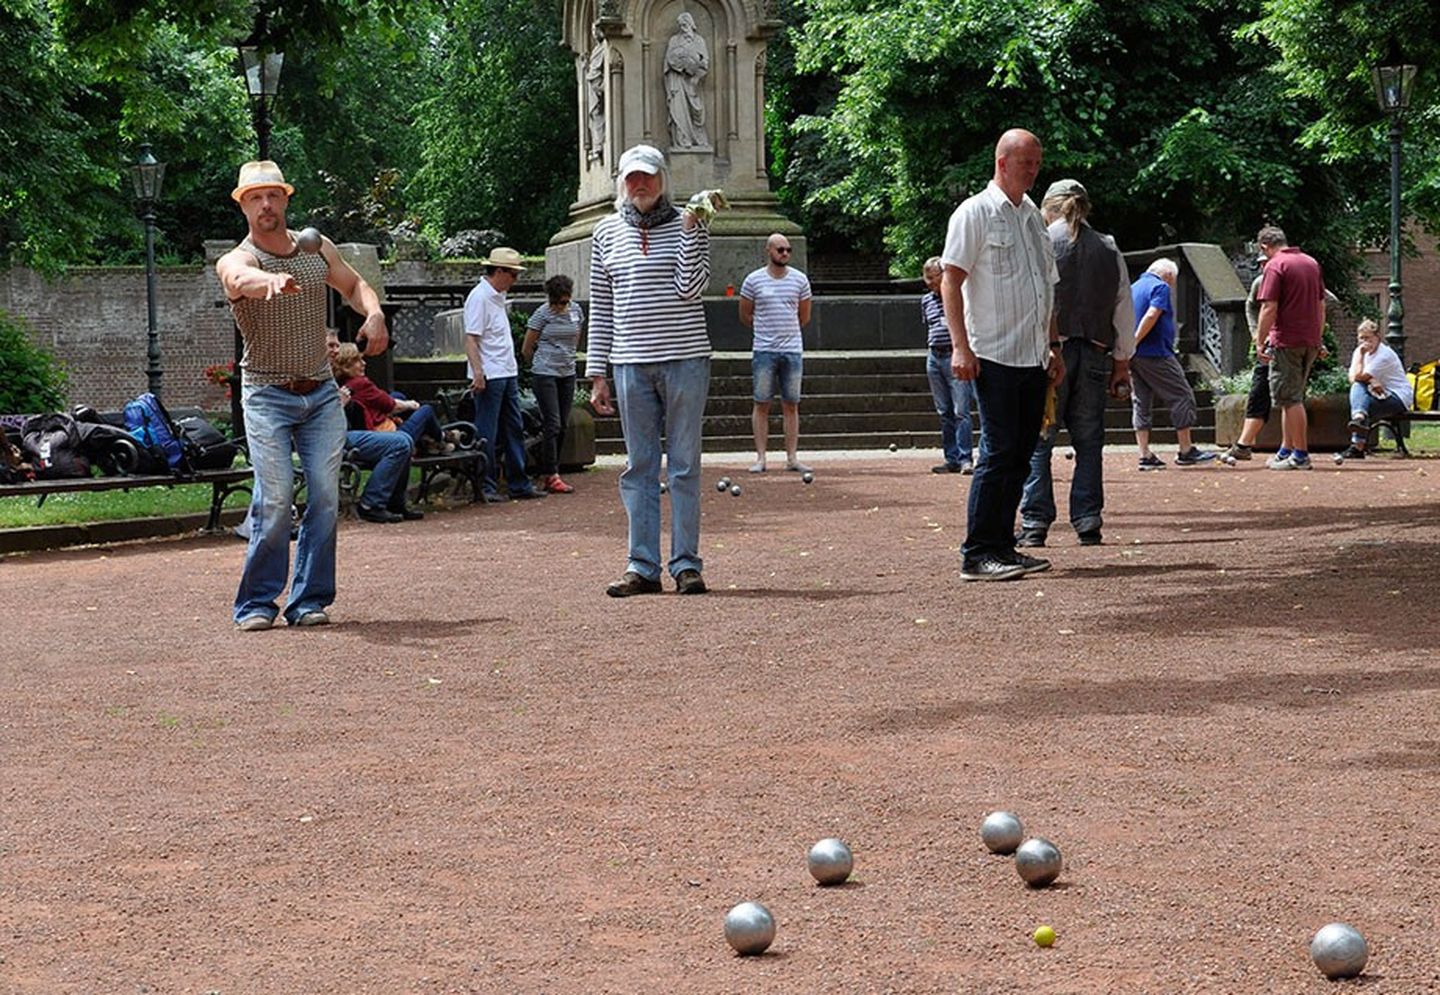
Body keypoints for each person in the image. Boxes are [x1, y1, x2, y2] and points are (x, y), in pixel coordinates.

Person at [217, 159, 388, 631]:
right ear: (243, 206)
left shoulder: (316, 248)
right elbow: (236, 279)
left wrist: (372, 314)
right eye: (255, 197)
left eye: (273, 195)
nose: (266, 204)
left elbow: (354, 285)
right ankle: (255, 604)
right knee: (273, 499)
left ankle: (308, 599)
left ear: (286, 198)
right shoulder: (242, 257)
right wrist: (268, 282)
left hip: (320, 395)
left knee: (326, 496)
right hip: (267, 394)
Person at [587, 144, 712, 596]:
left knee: (683, 466)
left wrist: (693, 232)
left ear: (663, 180)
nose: (640, 185)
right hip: (629, 362)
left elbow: (690, 288)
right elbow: (601, 307)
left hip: (685, 358)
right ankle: (641, 565)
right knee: (638, 466)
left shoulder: (690, 223)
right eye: (632, 178)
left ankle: (686, 564)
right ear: (620, 182)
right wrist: (596, 372)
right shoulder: (603, 233)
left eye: (648, 177)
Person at [941, 128, 1064, 582]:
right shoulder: (974, 212)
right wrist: (960, 346)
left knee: (1020, 453)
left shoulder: (1033, 216)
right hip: (992, 352)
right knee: (997, 452)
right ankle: (977, 553)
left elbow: (1047, 288)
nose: (1033, 169)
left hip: (1032, 356)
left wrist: (1054, 345)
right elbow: (951, 280)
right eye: (1025, 161)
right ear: (1001, 162)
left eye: (1037, 161)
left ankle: (1002, 545)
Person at [1017, 179, 1134, 547]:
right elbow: (1123, 309)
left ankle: (1035, 522)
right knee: (1089, 441)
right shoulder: (1109, 247)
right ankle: (1087, 519)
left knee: (1039, 440)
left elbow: (1032, 300)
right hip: (1096, 351)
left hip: (1051, 352)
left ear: (1048, 207)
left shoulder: (1039, 241)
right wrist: (1122, 363)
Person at [463, 247, 545, 502]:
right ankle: (486, 485)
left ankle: (518, 482)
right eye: (512, 274)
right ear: (498, 271)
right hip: (491, 373)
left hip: (505, 371)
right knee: (487, 430)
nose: (515, 280)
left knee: (513, 427)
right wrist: (478, 372)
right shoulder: (479, 297)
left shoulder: (495, 296)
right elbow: (471, 339)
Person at [327, 331, 423, 524]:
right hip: (331, 438)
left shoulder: (328, 373)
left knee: (404, 440)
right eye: (331, 345)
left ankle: (394, 502)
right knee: (401, 442)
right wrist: (339, 405)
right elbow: (314, 415)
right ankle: (371, 503)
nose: (336, 349)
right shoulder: (315, 374)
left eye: (337, 345)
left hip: (345, 432)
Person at [1128, 258, 1215, 469]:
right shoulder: (1160, 287)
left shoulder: (1132, 288)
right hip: (1156, 353)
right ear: (1167, 275)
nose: (1172, 285)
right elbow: (1152, 314)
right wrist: (1135, 340)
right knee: (1182, 395)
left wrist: (1127, 347)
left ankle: (1145, 454)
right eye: (1173, 281)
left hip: (1134, 356)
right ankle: (1186, 450)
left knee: (1141, 400)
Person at [1254, 225, 1327, 470]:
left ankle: (1301, 455)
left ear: (1265, 246)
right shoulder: (1311, 263)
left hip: (1286, 340)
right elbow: (1321, 305)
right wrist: (1318, 337)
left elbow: (1269, 307)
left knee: (1290, 398)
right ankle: (1286, 449)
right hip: (1309, 341)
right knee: (1291, 397)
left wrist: (1259, 339)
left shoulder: (1276, 266)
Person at [740, 233, 813, 474]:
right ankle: (761, 457)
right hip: (764, 349)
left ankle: (792, 457)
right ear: (768, 250)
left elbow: (804, 316)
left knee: (791, 404)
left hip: (791, 349)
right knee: (761, 402)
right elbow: (745, 314)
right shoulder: (753, 280)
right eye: (780, 249)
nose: (785, 254)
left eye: (788, 250)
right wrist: (766, 330)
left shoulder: (800, 280)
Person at [523, 274, 584, 494]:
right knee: (553, 423)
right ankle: (551, 473)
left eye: (564, 302)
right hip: (545, 373)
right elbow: (527, 347)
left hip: (567, 372)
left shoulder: (576, 311)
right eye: (557, 302)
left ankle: (549, 465)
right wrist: (540, 363)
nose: (561, 307)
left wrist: (568, 356)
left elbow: (576, 336)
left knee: (562, 424)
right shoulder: (542, 314)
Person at [331, 342, 449, 453]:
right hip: (387, 437)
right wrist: (411, 404)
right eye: (358, 360)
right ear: (346, 367)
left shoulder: (341, 385)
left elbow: (385, 400)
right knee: (426, 410)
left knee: (398, 396)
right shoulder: (360, 384)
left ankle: (425, 438)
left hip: (366, 428)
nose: (364, 363)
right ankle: (442, 437)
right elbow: (391, 406)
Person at [921, 256, 976, 474]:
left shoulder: (959, 297)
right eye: (927, 278)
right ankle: (951, 457)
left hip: (955, 355)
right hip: (934, 356)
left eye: (934, 277)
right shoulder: (926, 301)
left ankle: (965, 458)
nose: (930, 282)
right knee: (944, 410)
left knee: (961, 410)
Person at [1338, 318, 1413, 460]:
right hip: (1379, 395)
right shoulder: (1359, 352)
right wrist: (1371, 379)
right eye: (1361, 338)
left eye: (1368, 338)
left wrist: (1366, 377)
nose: (1365, 343)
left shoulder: (1384, 355)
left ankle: (1357, 444)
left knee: (1361, 397)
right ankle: (1359, 421)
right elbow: (1352, 378)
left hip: (1398, 398)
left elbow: (1358, 376)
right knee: (1359, 390)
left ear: (1377, 337)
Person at [664, 13, 709, 148]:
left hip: (693, 82)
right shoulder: (674, 40)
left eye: (685, 25)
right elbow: (669, 60)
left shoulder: (699, 41)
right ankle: (682, 140)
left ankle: (699, 140)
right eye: (681, 25)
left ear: (691, 25)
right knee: (678, 109)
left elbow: (705, 62)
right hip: (677, 79)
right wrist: (679, 65)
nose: (683, 28)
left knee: (697, 109)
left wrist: (696, 75)